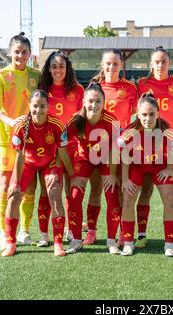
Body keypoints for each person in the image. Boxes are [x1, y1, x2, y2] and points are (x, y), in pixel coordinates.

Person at [1, 89, 73, 257]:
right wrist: (16, 183)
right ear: (29, 106)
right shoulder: (20, 126)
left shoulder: (57, 125)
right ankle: (11, 243)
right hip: (28, 164)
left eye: (42, 106)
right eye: (35, 106)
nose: (38, 110)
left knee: (54, 194)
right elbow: (19, 156)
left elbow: (62, 152)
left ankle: (57, 243)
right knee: (14, 196)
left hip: (50, 163)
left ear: (48, 107)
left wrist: (64, 172)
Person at [0, 32, 40, 250]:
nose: (20, 56)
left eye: (24, 52)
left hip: (31, 141)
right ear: (10, 52)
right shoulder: (0, 76)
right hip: (5, 139)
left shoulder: (36, 76)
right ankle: (4, 232)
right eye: (17, 51)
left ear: (30, 54)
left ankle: (24, 231)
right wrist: (11, 122)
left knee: (28, 187)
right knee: (6, 185)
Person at [82, 49, 138, 246]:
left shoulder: (131, 88)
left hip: (120, 147)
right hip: (96, 146)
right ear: (102, 65)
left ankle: (122, 231)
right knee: (96, 188)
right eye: (108, 63)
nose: (111, 67)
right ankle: (91, 230)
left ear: (121, 65)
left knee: (119, 190)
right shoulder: (94, 88)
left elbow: (135, 115)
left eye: (115, 64)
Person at [135, 46, 173, 248]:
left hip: (170, 144)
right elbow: (137, 112)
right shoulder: (142, 84)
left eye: (164, 61)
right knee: (146, 189)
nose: (160, 65)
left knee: (172, 190)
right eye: (156, 62)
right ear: (151, 64)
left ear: (169, 64)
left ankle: (172, 233)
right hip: (147, 143)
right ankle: (141, 233)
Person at [32, 50, 84, 246]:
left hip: (71, 148)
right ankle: (44, 234)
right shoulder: (43, 88)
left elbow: (81, 119)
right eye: (54, 66)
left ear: (67, 68)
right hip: (49, 149)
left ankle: (71, 229)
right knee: (49, 190)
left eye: (61, 66)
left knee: (72, 190)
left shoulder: (77, 89)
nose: (58, 70)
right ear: (48, 69)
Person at [119, 92, 173, 257]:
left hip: (159, 166)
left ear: (158, 113)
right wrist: (124, 180)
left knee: (170, 199)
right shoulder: (131, 130)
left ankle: (169, 243)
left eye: (152, 114)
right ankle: (129, 243)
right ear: (137, 114)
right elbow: (124, 155)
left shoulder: (166, 128)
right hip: (137, 166)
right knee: (128, 197)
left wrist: (169, 168)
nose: (147, 118)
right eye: (144, 114)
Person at [66, 83, 121, 255]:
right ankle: (76, 239)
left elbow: (115, 149)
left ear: (104, 102)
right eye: (90, 101)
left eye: (98, 101)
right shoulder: (76, 120)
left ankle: (111, 240)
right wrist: (73, 175)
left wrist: (112, 174)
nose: (94, 105)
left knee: (112, 194)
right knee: (75, 195)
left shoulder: (112, 121)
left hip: (105, 159)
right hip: (84, 159)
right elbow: (63, 146)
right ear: (83, 101)